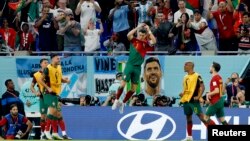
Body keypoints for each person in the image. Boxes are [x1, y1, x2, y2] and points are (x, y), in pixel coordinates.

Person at [112, 23, 156, 114]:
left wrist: (149, 30)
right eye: (140, 34)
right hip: (130, 65)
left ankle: (123, 103)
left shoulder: (146, 44)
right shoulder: (133, 40)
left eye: (143, 35)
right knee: (122, 85)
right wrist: (137, 27)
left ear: (145, 36)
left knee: (133, 89)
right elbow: (128, 35)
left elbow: (154, 41)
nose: (141, 36)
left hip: (137, 68)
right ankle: (116, 100)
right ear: (138, 34)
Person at [39, 54, 71, 140]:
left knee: (57, 114)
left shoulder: (59, 67)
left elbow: (59, 79)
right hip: (48, 93)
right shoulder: (47, 69)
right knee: (53, 112)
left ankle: (60, 134)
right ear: (52, 59)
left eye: (59, 58)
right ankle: (46, 131)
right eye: (57, 58)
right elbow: (40, 80)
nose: (59, 59)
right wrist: (48, 88)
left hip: (56, 93)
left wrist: (66, 81)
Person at [179, 61, 207, 141]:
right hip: (186, 101)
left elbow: (203, 87)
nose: (184, 66)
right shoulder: (185, 77)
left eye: (186, 65)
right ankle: (189, 137)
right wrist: (182, 94)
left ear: (190, 66)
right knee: (188, 117)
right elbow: (186, 89)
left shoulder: (197, 76)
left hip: (193, 101)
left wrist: (198, 96)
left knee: (201, 117)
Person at [30, 58, 49, 140]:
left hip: (51, 97)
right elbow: (31, 87)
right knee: (43, 117)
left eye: (47, 63)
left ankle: (48, 133)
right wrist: (35, 92)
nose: (47, 64)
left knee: (51, 116)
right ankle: (43, 133)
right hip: (42, 98)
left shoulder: (50, 73)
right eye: (45, 63)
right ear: (41, 64)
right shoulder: (36, 75)